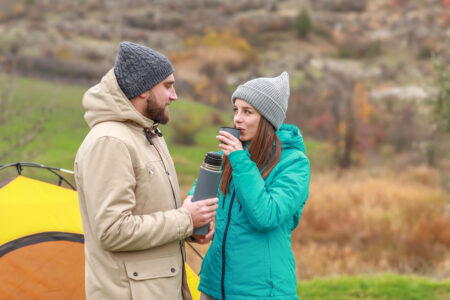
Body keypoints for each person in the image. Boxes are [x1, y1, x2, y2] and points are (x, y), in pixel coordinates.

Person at [74, 41, 218, 300]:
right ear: (142, 90)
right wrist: (185, 219)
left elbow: (150, 214)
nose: (174, 96)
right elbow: (113, 231)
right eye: (167, 86)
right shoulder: (110, 142)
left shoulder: (148, 134)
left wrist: (191, 227)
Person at [189, 72, 310, 300]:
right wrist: (200, 228)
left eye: (247, 112)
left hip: (262, 292)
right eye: (236, 110)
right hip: (213, 288)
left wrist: (239, 160)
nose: (237, 119)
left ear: (267, 118)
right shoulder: (228, 157)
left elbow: (266, 215)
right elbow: (198, 198)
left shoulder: (294, 164)